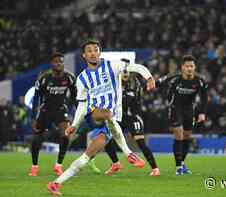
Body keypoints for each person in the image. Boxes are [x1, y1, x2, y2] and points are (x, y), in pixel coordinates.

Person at [47, 39, 155, 196]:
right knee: (105, 113)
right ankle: (128, 153)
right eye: (89, 50)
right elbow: (82, 105)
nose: (93, 53)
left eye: (95, 49)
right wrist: (75, 125)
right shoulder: (82, 78)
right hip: (94, 114)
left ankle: (56, 184)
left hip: (111, 121)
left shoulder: (113, 65)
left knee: (87, 156)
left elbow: (135, 67)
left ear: (99, 52)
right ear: (84, 55)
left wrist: (149, 77)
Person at [156, 55, 208, 175]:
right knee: (178, 134)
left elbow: (205, 97)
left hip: (190, 109)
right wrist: (149, 85)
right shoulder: (175, 78)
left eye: (192, 66)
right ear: (182, 68)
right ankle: (178, 166)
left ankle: (182, 163)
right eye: (187, 66)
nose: (189, 69)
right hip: (175, 108)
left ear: (194, 67)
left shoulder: (200, 81)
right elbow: (159, 82)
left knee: (187, 136)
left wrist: (202, 113)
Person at [104, 69, 160, 176]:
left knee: (141, 142)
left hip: (132, 117)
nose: (125, 74)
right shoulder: (112, 85)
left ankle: (155, 169)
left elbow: (138, 103)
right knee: (106, 139)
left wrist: (136, 118)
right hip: (117, 118)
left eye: (127, 72)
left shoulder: (135, 84)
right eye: (123, 72)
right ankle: (115, 164)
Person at [29, 52, 76, 176]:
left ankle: (58, 165)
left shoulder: (69, 77)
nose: (59, 64)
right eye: (56, 62)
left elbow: (75, 96)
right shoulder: (44, 78)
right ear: (51, 64)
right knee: (37, 139)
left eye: (61, 61)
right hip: (46, 110)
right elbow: (36, 98)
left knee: (66, 135)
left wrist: (72, 111)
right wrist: (33, 117)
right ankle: (34, 166)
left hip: (60, 110)